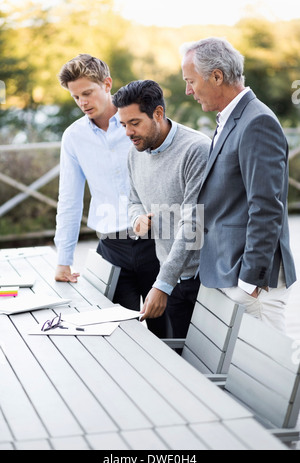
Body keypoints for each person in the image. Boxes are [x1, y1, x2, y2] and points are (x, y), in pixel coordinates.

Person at [181, 37, 297, 333]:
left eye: (191, 81)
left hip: (251, 285)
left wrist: (250, 281)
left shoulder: (257, 122)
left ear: (217, 76)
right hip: (226, 273)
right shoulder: (230, 119)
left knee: (272, 376)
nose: (188, 90)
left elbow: (267, 207)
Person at [54, 54, 166, 337]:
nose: (82, 103)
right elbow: (69, 198)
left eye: (87, 93)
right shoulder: (73, 137)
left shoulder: (141, 120)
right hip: (111, 248)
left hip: (155, 241)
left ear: (107, 84)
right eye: (76, 97)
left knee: (166, 334)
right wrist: (64, 259)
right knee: (119, 336)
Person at [113, 80, 210, 338]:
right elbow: (133, 200)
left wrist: (162, 284)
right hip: (170, 275)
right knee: (180, 363)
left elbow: (194, 224)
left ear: (157, 113)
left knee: (205, 364)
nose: (128, 133)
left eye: (134, 123)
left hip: (204, 279)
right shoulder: (135, 153)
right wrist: (137, 219)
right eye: (123, 125)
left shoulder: (196, 149)